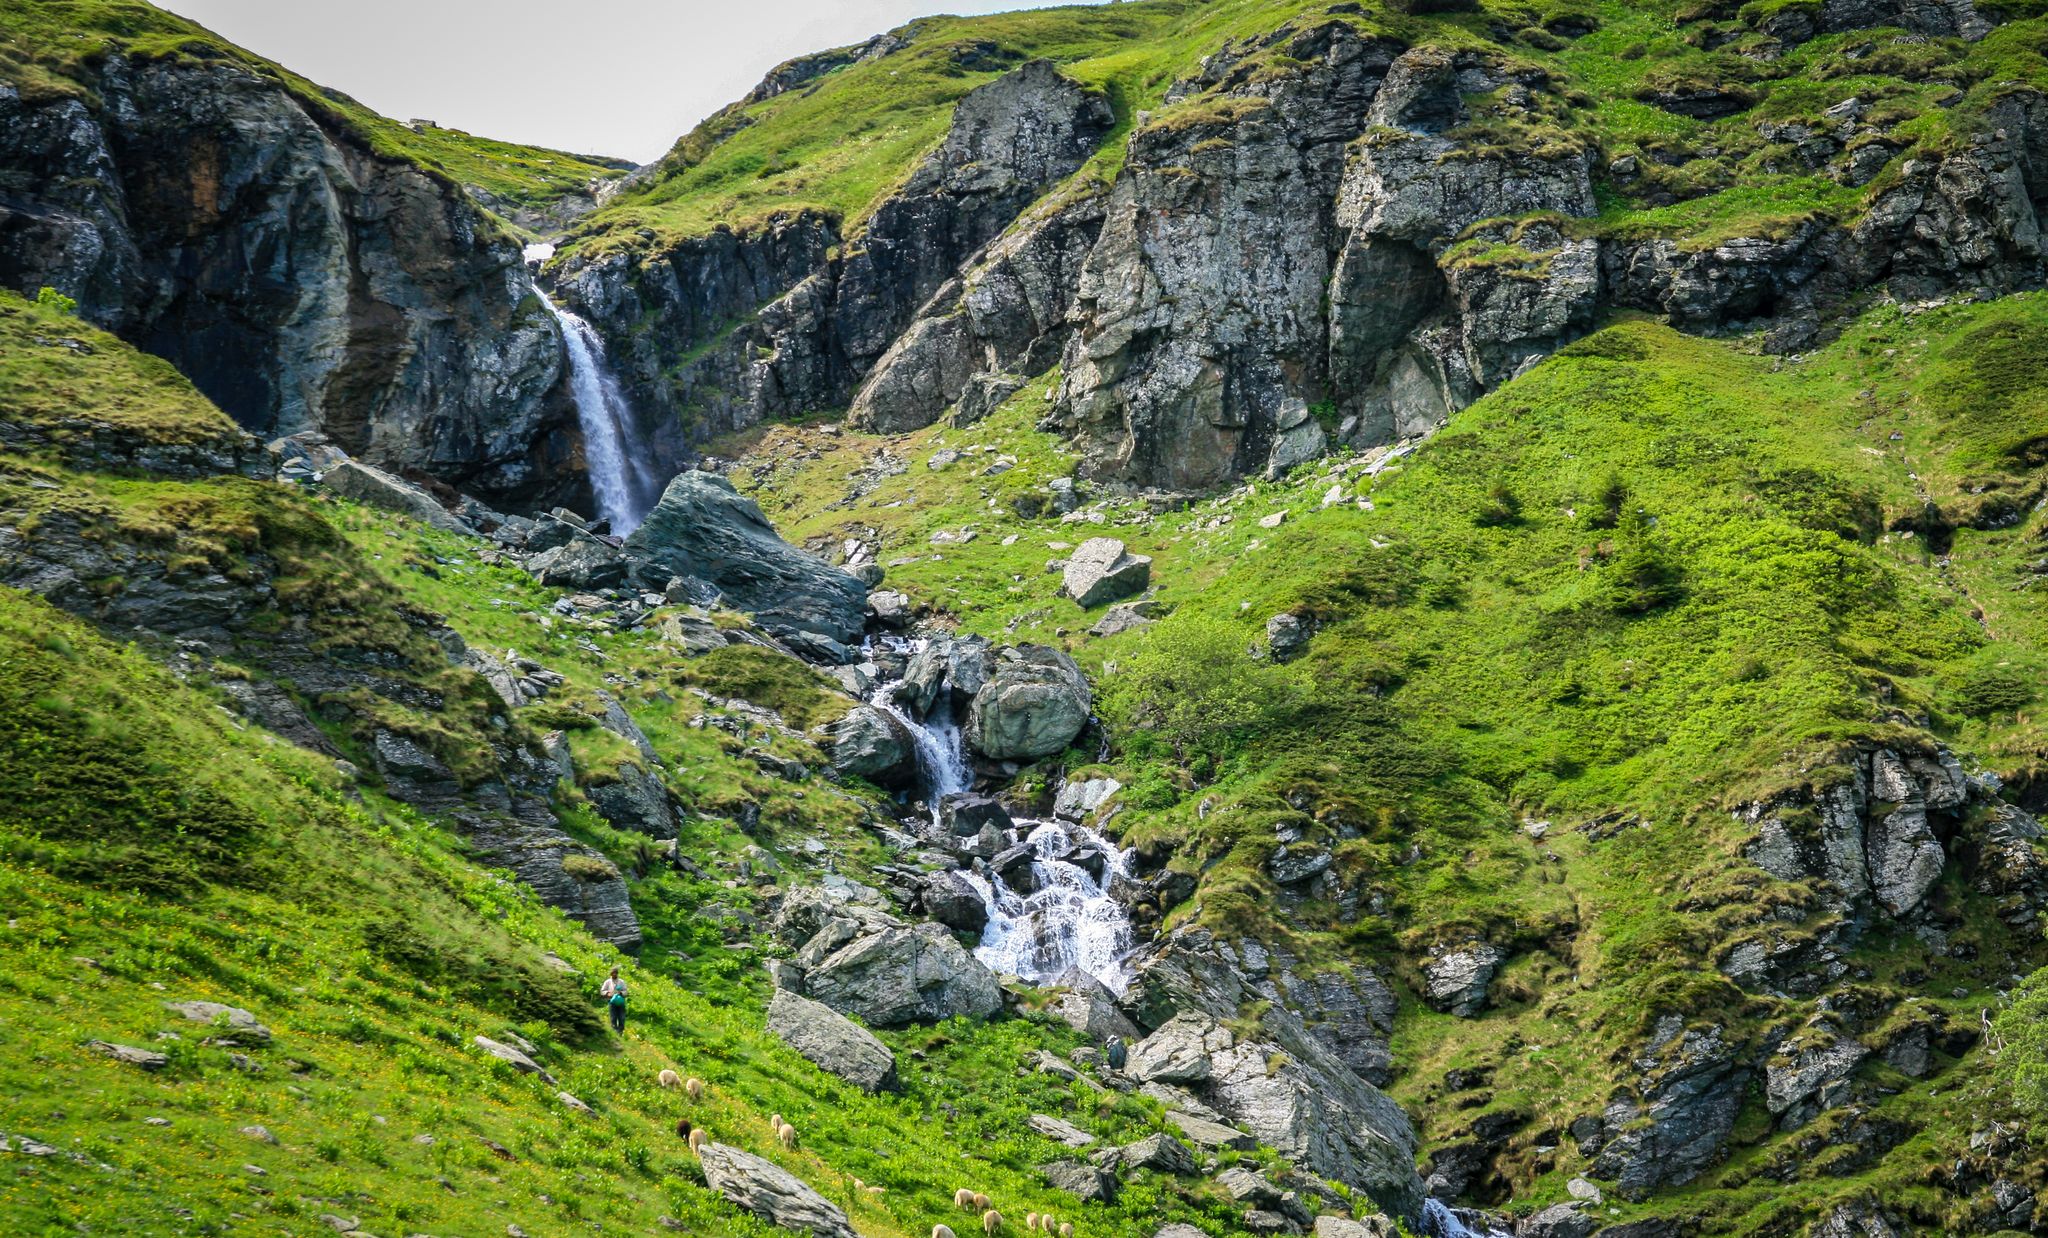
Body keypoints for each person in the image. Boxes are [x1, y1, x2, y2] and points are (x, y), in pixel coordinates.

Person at [601, 966, 628, 1033]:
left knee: (622, 1017)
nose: (614, 974)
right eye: (613, 973)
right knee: (613, 1017)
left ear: (617, 974)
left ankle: (620, 1030)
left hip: (621, 1002)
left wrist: (621, 993)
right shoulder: (607, 982)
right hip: (612, 1002)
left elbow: (626, 991)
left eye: (615, 973)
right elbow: (602, 991)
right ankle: (614, 1031)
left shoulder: (621, 982)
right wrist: (608, 993)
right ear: (611, 974)